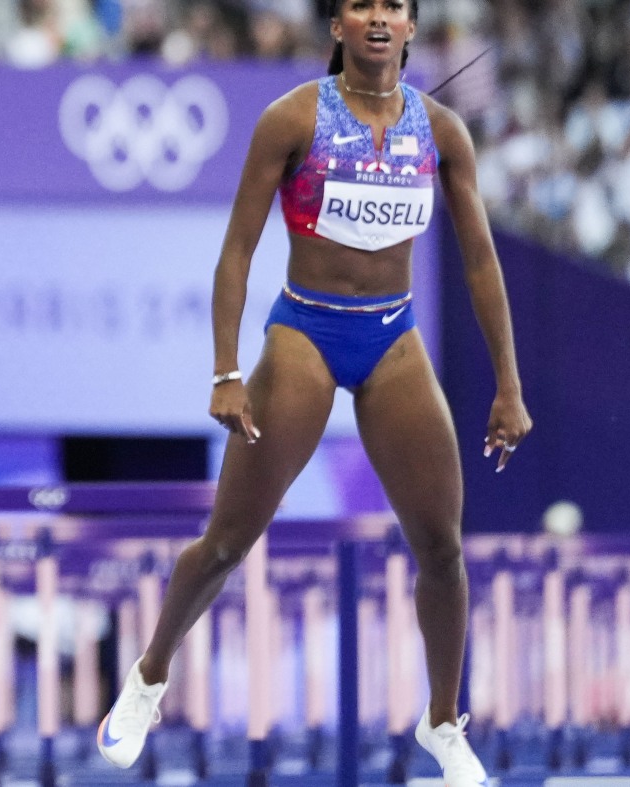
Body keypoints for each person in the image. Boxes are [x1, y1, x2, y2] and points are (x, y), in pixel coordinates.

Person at [95, 1, 532, 784]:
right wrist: (226, 370)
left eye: (393, 6)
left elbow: (480, 263)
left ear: (410, 28)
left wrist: (508, 383)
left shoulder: (443, 133)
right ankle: (150, 675)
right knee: (228, 541)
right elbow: (235, 252)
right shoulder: (292, 119)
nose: (377, 18)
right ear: (336, 25)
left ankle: (442, 723)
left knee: (443, 546)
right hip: (305, 332)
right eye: (360, 4)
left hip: (392, 339)